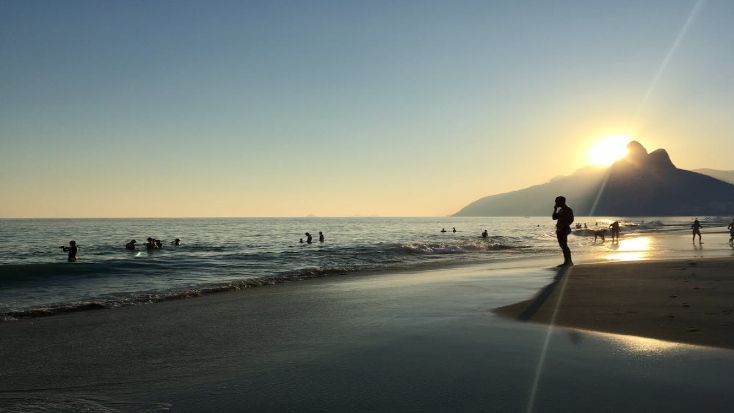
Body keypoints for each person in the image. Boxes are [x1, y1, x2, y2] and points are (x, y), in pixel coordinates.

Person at [552, 196, 574, 267]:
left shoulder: (568, 209)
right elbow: (554, 217)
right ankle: (568, 261)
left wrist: (563, 227)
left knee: (564, 245)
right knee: (563, 245)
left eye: (556, 201)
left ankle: (568, 262)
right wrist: (555, 209)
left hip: (564, 229)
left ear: (561, 202)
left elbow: (571, 220)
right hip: (560, 229)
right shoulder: (561, 210)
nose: (555, 203)